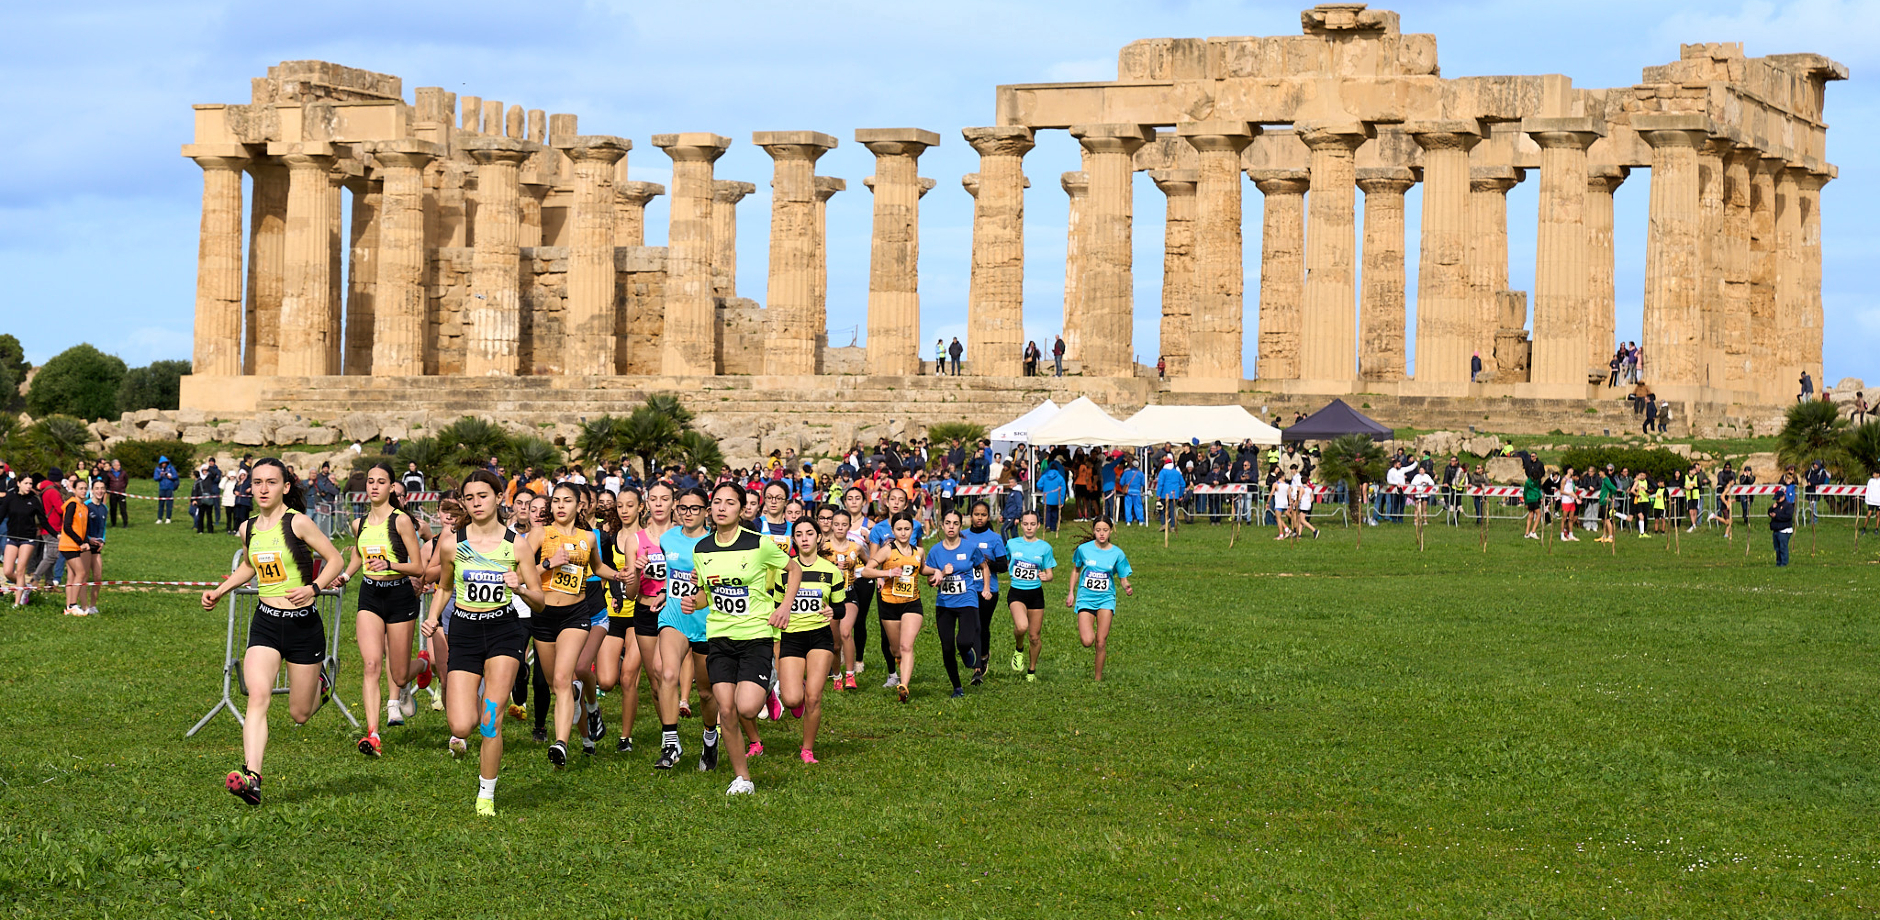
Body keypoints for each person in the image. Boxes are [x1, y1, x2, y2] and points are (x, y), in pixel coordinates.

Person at [201, 458, 347, 806]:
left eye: (270, 482)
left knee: (299, 713)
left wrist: (313, 588)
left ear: (285, 487)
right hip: (265, 622)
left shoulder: (298, 523)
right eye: (257, 482)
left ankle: (321, 685)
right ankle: (252, 777)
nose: (263, 488)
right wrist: (221, 591)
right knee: (258, 695)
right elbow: (250, 567)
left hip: (303, 626)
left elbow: (336, 560)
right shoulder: (247, 528)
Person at [420, 470, 544, 816]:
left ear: (498, 497)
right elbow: (444, 585)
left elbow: (539, 600)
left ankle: (485, 794)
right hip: (464, 632)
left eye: (483, 496)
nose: (476, 503)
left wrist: (519, 585)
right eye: (470, 497)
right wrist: (433, 616)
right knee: (461, 724)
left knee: (491, 719)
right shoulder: (452, 543)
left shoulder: (516, 544)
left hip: (504, 631)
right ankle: (473, 709)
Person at [686, 482, 801, 795]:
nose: (722, 508)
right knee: (727, 711)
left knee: (747, 708)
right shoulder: (701, 549)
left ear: (741, 509)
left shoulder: (758, 543)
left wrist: (785, 608)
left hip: (755, 636)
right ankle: (743, 779)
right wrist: (692, 602)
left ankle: (767, 686)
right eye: (717, 502)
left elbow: (793, 569)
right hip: (720, 638)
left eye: (730, 503)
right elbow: (707, 596)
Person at [525, 482, 632, 768]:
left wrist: (618, 575)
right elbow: (520, 574)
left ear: (578, 506)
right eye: (556, 501)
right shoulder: (540, 534)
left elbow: (597, 568)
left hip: (576, 614)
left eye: (567, 501)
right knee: (554, 683)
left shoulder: (589, 538)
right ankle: (583, 708)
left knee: (563, 679)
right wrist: (549, 563)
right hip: (543, 614)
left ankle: (560, 743)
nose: (560, 506)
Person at [340, 463, 429, 756]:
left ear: (392, 487)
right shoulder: (359, 523)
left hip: (399, 595)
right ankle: (373, 734)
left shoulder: (401, 521)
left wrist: (390, 565)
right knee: (370, 665)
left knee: (400, 675)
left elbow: (417, 566)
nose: (374, 486)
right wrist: (347, 575)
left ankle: (424, 665)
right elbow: (358, 554)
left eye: (381, 482)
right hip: (370, 595)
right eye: (370, 481)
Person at [651, 487, 718, 771]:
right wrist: (666, 592)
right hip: (674, 616)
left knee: (705, 693)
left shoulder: (714, 542)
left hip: (705, 620)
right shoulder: (668, 539)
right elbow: (670, 575)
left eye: (695, 508)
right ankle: (670, 742)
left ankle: (710, 737)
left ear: (706, 511)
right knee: (667, 673)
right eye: (684, 508)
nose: (688, 513)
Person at [610, 483, 668, 754]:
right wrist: (634, 573)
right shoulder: (634, 541)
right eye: (654, 499)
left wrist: (670, 593)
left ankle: (707, 729)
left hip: (676, 612)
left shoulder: (681, 537)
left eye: (664, 499)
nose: (658, 504)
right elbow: (631, 594)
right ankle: (670, 735)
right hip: (641, 611)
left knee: (672, 675)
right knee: (656, 681)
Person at [779, 518, 842, 763]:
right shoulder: (783, 569)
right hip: (791, 637)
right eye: (799, 534)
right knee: (793, 699)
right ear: (793, 539)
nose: (804, 538)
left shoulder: (831, 570)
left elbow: (840, 608)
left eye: (809, 533)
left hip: (819, 637)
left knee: (814, 698)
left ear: (818, 537)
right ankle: (799, 690)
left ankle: (807, 749)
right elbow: (775, 605)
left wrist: (833, 612)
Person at [920, 510, 990, 699]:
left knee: (964, 641)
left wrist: (985, 588)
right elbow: (930, 580)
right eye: (948, 523)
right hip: (944, 604)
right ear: (942, 526)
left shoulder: (970, 547)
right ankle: (957, 687)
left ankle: (967, 652)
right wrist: (940, 574)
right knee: (947, 647)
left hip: (967, 600)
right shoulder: (935, 551)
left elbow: (983, 566)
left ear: (960, 526)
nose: (951, 527)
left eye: (955, 523)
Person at [857, 513, 924, 702]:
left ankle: (904, 684)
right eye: (899, 529)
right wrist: (887, 572)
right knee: (896, 650)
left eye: (907, 529)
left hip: (912, 603)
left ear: (912, 530)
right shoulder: (887, 550)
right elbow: (866, 571)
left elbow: (923, 568)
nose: (903, 533)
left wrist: (937, 572)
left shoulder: (919, 552)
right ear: (893, 531)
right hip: (889, 604)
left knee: (906, 645)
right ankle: (900, 664)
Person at [1066, 518, 1132, 682]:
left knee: (1101, 641)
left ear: (1111, 531)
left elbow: (1123, 577)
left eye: (1105, 530)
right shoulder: (1083, 550)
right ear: (1094, 531)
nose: (1101, 533)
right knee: (1088, 641)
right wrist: (1071, 592)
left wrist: (1126, 586)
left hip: (1106, 600)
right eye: (1098, 530)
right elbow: (1076, 570)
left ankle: (1098, 679)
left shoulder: (1117, 553)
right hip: (1085, 600)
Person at [1004, 510, 1056, 681]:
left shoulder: (1045, 547)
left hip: (1035, 594)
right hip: (1016, 593)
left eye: (1032, 524)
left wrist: (1046, 577)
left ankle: (1031, 671)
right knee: (1021, 627)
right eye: (1025, 524)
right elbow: (1004, 562)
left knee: (1034, 637)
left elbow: (1050, 574)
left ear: (1038, 525)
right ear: (1021, 524)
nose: (1029, 527)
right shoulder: (1012, 543)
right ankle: (1019, 649)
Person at [963, 500, 1008, 683]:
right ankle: (973, 654)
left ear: (988, 517)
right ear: (970, 516)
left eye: (983, 515)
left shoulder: (995, 538)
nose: (979, 518)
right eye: (976, 514)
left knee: (982, 625)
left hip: (988, 590)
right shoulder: (963, 536)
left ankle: (982, 659)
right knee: (969, 626)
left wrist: (988, 563)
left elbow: (1003, 566)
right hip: (966, 589)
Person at [3, 474, 45, 607]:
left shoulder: (34, 500)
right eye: (26, 483)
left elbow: (43, 520)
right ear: (19, 483)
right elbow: (1, 515)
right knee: (8, 571)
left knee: (20, 570)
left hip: (28, 538)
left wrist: (56, 535)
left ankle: (17, 603)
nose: (29, 486)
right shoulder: (10, 498)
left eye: (30, 484)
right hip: (12, 537)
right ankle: (25, 587)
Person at [1154, 457, 1185, 533]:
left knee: (1162, 509)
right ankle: (1172, 527)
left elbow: (1160, 484)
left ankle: (1164, 524)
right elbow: (1183, 484)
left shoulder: (1163, 472)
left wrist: (1158, 494)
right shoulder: (1177, 473)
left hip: (1164, 494)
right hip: (1174, 495)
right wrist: (1180, 494)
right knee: (1172, 511)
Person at [1769, 487, 1795, 566]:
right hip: (1776, 529)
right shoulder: (1776, 505)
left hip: (1784, 530)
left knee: (1783, 548)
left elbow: (1787, 516)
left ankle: (1784, 563)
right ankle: (1778, 562)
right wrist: (1771, 509)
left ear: (1783, 497)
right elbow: (1770, 512)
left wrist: (1776, 515)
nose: (1777, 500)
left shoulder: (1788, 506)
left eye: (1778, 499)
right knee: (1777, 548)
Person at [104, 460, 130, 529]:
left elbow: (126, 480)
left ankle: (125, 523)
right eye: (117, 465)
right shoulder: (109, 474)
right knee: (113, 509)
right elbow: (106, 483)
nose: (119, 466)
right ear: (114, 466)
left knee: (123, 509)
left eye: (119, 465)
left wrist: (123, 487)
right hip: (113, 494)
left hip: (122, 493)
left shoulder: (123, 473)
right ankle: (113, 523)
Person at [155, 457, 179, 524]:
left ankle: (168, 518)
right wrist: (160, 476)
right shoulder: (158, 469)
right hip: (162, 488)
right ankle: (159, 518)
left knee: (169, 504)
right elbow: (155, 478)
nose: (164, 464)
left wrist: (171, 477)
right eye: (162, 463)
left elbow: (176, 476)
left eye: (165, 463)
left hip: (170, 488)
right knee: (161, 504)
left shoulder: (171, 468)